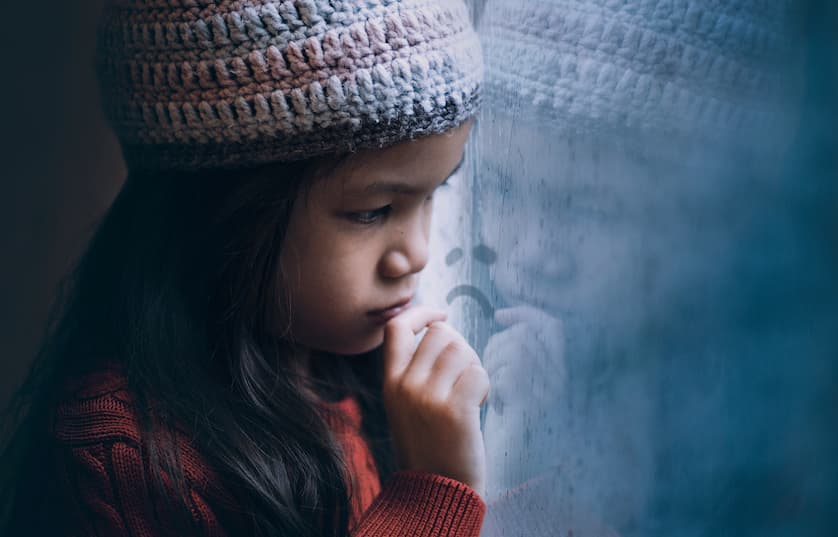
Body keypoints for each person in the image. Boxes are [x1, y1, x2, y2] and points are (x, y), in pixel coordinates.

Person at [0, 1, 492, 536]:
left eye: (433, 193)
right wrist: (430, 496)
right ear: (220, 212)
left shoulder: (344, 368)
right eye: (371, 212)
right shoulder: (125, 453)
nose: (416, 254)